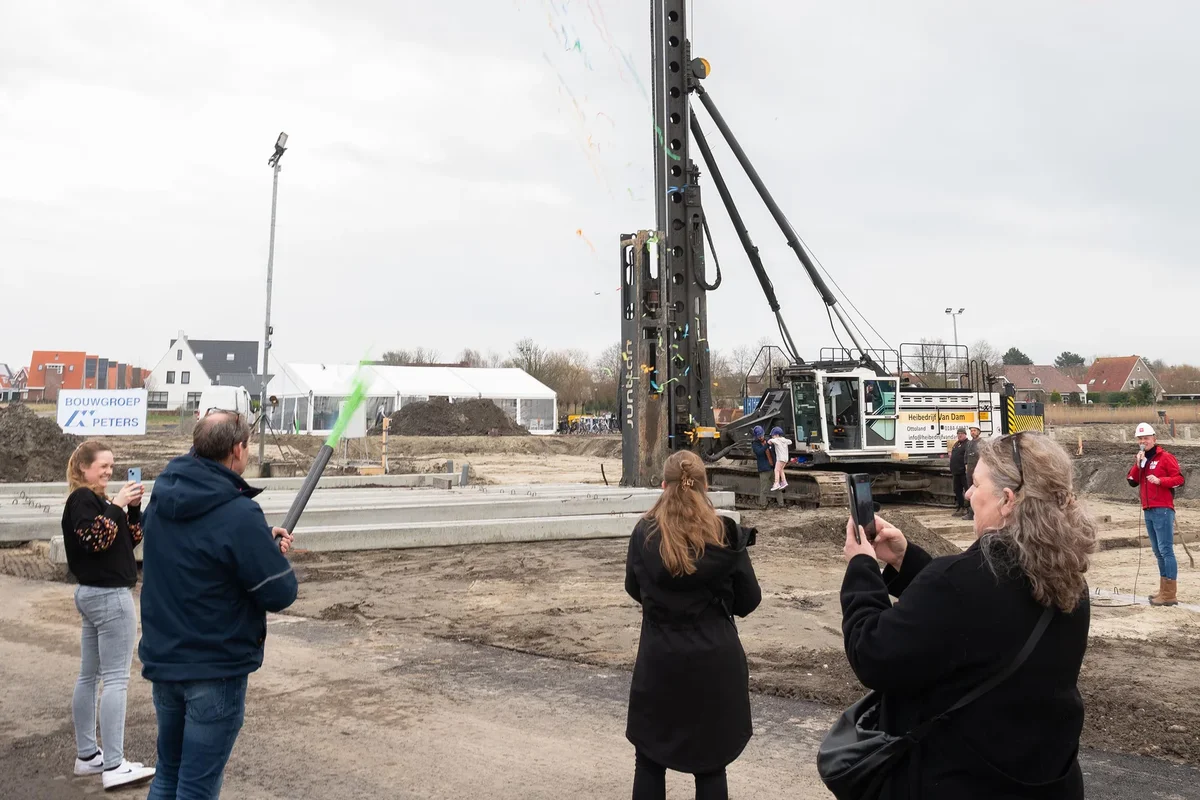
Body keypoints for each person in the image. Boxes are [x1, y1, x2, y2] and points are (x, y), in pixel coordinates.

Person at [840, 432, 1096, 798]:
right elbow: (979, 618)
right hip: (1044, 778)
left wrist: (862, 567)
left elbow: (872, 653)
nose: (967, 494)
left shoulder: (960, 583)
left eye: (976, 484)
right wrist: (904, 559)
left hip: (963, 780)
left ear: (1007, 501)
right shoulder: (1067, 578)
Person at [139, 411, 298, 798]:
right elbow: (280, 592)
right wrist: (267, 553)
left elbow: (197, 549)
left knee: (168, 774)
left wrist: (257, 541)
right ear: (238, 449)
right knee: (196, 786)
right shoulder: (237, 512)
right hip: (214, 670)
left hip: (166, 661)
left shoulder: (162, 498)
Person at [625, 450, 762, 800]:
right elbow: (749, 600)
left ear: (663, 486)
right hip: (715, 662)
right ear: (705, 488)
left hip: (661, 661)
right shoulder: (724, 535)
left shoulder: (644, 534)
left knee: (650, 759)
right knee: (711, 764)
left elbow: (633, 588)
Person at [61, 441, 158, 789]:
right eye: (102, 466)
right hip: (109, 596)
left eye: (111, 466)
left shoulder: (97, 502)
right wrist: (116, 504)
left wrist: (131, 509)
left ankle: (88, 756)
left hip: (93, 594)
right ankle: (115, 764)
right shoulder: (82, 500)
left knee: (90, 676)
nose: (108, 471)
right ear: (83, 467)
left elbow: (127, 540)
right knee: (115, 679)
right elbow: (95, 539)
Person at [1127, 422, 1185, 606]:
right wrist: (1138, 463)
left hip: (1163, 508)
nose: (1144, 441)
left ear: (1154, 439)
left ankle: (1170, 594)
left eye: (1147, 438)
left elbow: (1179, 479)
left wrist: (1161, 481)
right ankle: (1163, 589)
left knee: (1166, 550)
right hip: (1148, 509)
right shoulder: (1143, 459)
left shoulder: (1165, 457)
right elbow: (1132, 481)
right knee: (1158, 551)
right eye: (1141, 439)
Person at [750, 425, 781, 508]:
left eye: (762, 435)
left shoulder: (767, 440)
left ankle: (781, 503)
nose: (761, 437)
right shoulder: (755, 444)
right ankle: (763, 504)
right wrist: (767, 445)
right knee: (764, 489)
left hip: (772, 468)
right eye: (759, 436)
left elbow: (773, 452)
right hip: (764, 469)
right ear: (756, 437)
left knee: (777, 486)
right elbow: (759, 452)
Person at [964, 425, 982, 521]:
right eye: (971, 431)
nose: (973, 432)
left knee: (978, 492)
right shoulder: (969, 444)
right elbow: (966, 457)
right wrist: (966, 467)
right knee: (969, 492)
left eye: (974, 430)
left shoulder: (982, 443)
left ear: (979, 432)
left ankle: (979, 512)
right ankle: (970, 512)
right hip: (970, 472)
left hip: (978, 472)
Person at [949, 427, 969, 516]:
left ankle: (968, 508)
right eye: (958, 433)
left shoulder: (968, 444)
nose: (959, 435)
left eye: (961, 433)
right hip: (956, 472)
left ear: (965, 434)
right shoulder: (956, 444)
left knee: (967, 490)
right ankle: (960, 507)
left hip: (964, 472)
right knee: (957, 490)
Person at [767, 426, 791, 491]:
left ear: (777, 435)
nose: (772, 437)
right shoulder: (784, 440)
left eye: (773, 435)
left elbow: (771, 440)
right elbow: (790, 441)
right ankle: (784, 482)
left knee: (776, 470)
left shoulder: (777, 440)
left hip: (780, 459)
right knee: (781, 470)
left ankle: (776, 483)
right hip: (785, 459)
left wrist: (769, 441)